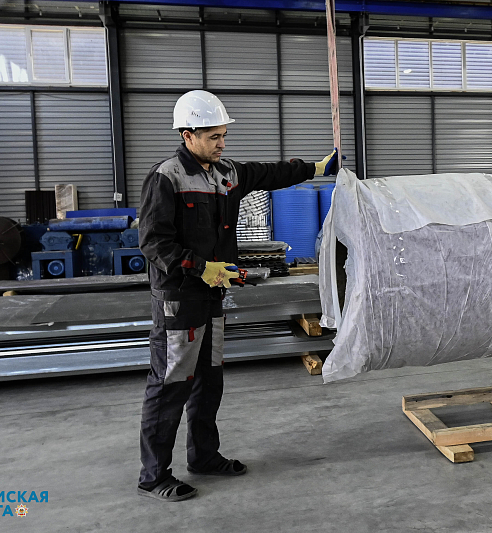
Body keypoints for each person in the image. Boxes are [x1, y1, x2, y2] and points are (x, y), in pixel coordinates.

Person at [137, 90, 339, 502]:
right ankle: (153, 475)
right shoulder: (167, 177)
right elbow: (154, 243)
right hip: (180, 298)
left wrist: (316, 168)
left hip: (213, 297)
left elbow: (271, 173)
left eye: (224, 135)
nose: (222, 143)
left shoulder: (225, 173)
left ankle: (204, 457)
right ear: (188, 135)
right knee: (171, 384)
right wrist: (200, 267)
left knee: (208, 381)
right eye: (214, 136)